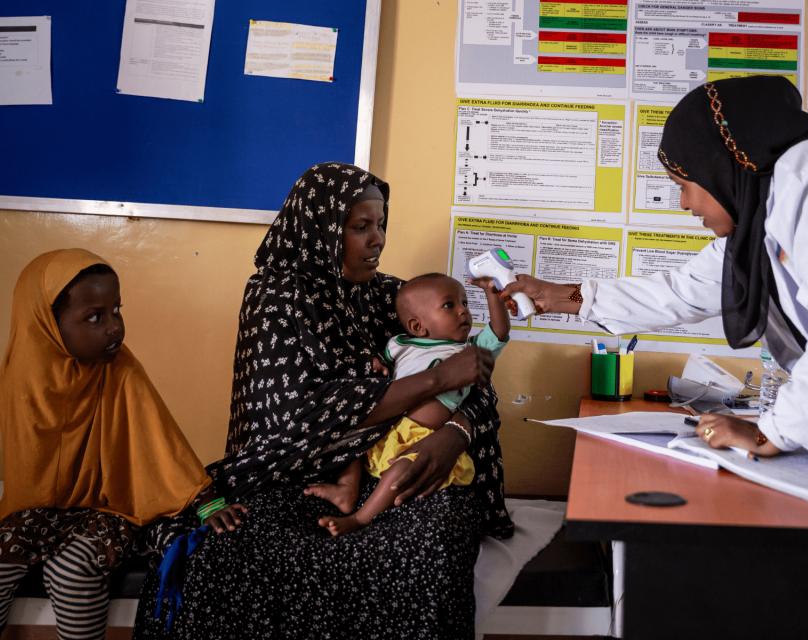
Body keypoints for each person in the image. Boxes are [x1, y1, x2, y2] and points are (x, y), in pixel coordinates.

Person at [133, 162, 513, 639]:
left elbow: (475, 378)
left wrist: (453, 436)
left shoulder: (391, 297)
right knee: (229, 554)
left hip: (393, 470)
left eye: (380, 225)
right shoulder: (277, 298)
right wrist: (434, 382)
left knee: (439, 531)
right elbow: (298, 415)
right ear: (320, 230)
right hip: (288, 475)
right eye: (360, 227)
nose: (377, 239)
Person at [504, 76, 808, 457]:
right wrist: (557, 296)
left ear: (721, 166)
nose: (684, 204)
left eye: (683, 183)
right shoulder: (760, 224)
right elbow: (678, 292)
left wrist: (772, 434)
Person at [0, 249, 242, 640]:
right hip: (34, 509)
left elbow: (162, 445)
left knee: (73, 569)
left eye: (117, 310)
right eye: (94, 317)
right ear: (46, 324)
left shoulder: (121, 372)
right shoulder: (20, 377)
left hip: (109, 507)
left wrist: (207, 502)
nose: (114, 327)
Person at [308, 272, 510, 535]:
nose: (463, 311)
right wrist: (375, 363)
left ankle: (361, 518)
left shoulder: (470, 351)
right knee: (352, 439)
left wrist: (493, 294)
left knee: (400, 473)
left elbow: (499, 331)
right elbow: (380, 363)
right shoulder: (399, 343)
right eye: (450, 305)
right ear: (417, 327)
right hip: (388, 428)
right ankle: (347, 490)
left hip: (423, 438)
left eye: (465, 303)